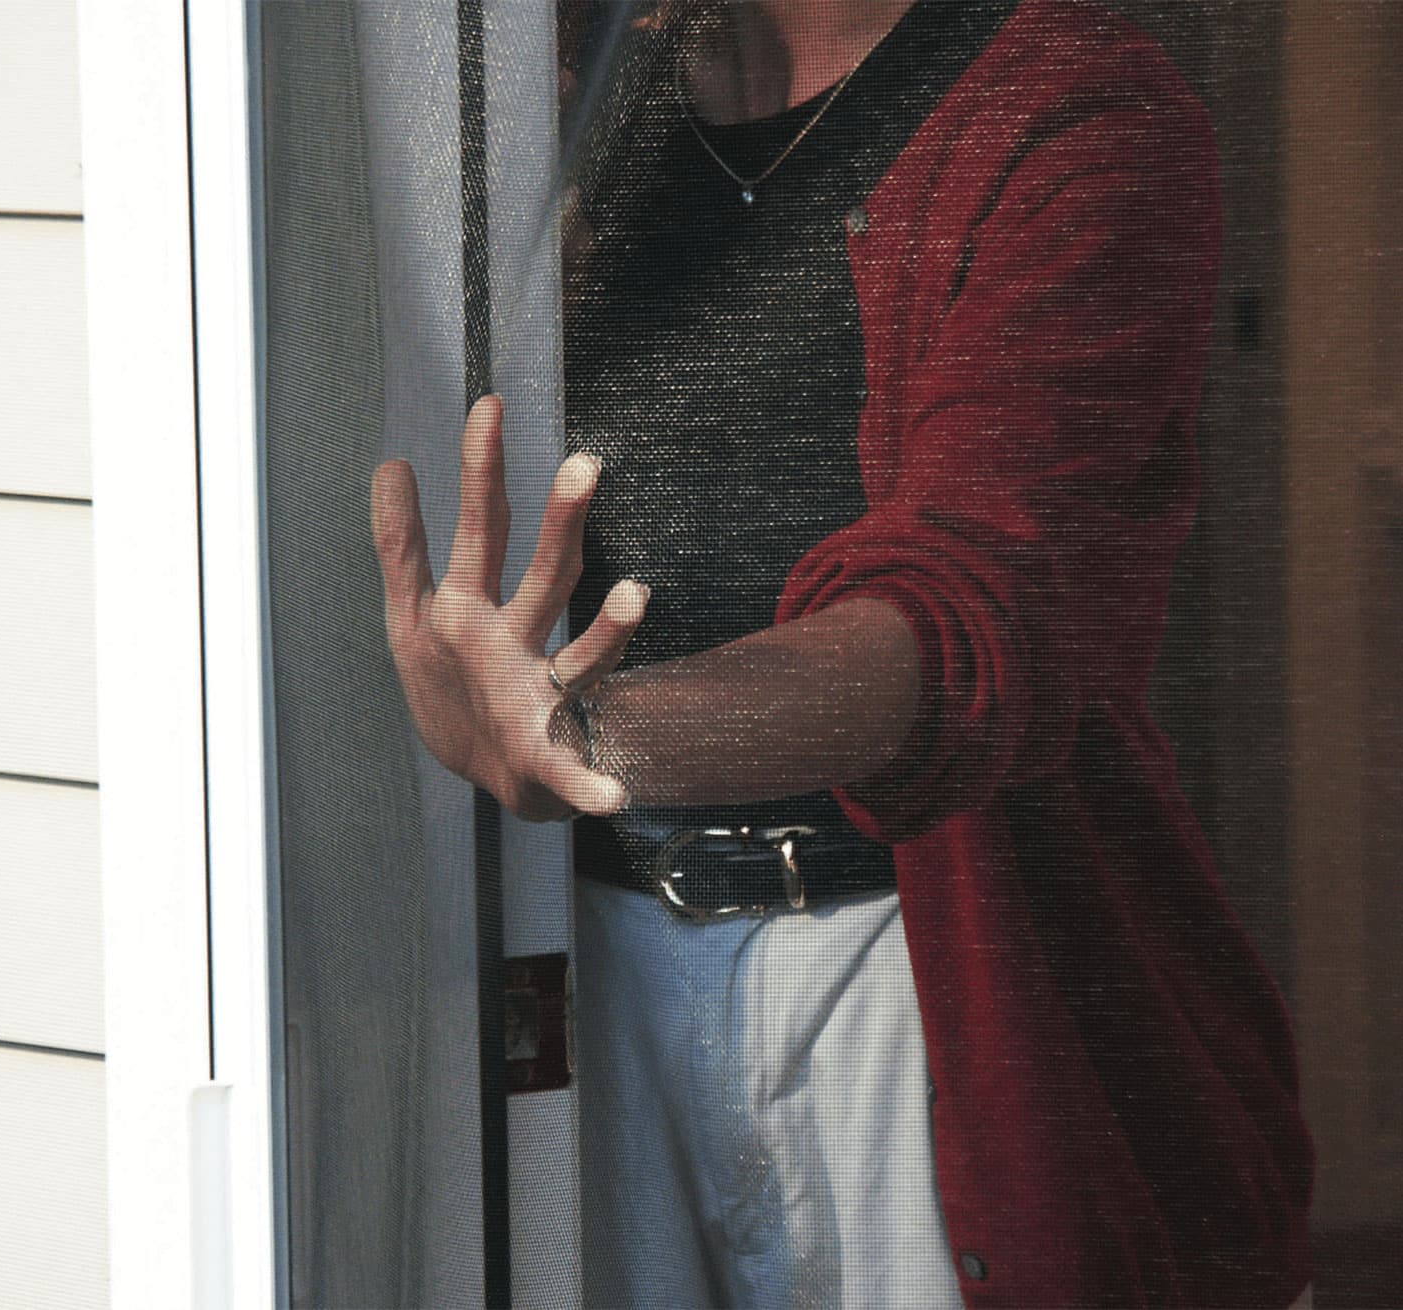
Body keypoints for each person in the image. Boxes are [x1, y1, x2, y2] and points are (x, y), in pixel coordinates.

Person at [371, 0, 1315, 1305]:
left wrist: (598, 736)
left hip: (910, 960)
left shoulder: (1072, 106)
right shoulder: (580, 96)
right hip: (587, 959)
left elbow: (965, 611)